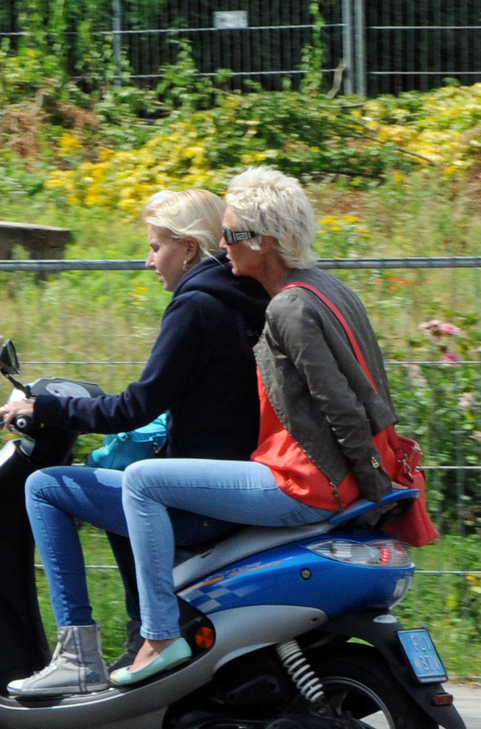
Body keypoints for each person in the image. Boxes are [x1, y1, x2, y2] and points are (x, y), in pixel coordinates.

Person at [113, 167, 397, 685]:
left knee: (140, 481)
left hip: (304, 482)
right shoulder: (325, 287)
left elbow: (343, 407)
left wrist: (375, 487)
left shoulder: (288, 306)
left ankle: (157, 636)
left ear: (263, 242)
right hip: (321, 476)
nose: (221, 247)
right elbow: (373, 387)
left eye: (229, 235)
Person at [0, 189, 269, 696]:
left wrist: (45, 406)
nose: (148, 261)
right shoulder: (246, 298)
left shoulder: (196, 308)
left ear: (187, 249)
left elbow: (134, 407)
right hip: (238, 483)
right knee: (117, 483)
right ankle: (142, 631)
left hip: (204, 501)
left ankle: (78, 652)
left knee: (47, 488)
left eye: (156, 247)